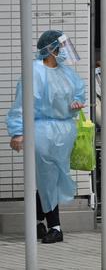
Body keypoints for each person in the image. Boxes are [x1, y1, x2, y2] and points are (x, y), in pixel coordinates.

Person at [7, 30, 85, 243]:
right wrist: (17, 131)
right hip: (41, 132)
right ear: (51, 49)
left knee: (52, 180)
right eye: (60, 47)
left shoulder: (66, 73)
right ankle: (55, 227)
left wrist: (76, 105)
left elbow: (78, 93)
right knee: (48, 178)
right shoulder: (34, 72)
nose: (63, 51)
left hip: (64, 131)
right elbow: (22, 104)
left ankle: (38, 223)